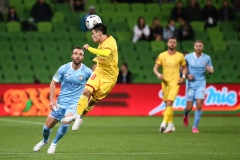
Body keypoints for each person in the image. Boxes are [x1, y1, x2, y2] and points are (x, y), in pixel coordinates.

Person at [33, 47, 92, 153]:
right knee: (46, 129)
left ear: (83, 57)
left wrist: (87, 102)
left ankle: (54, 143)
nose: (77, 56)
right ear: (72, 55)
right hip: (61, 103)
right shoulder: (64, 68)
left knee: (65, 123)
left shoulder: (87, 72)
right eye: (75, 53)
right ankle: (45, 141)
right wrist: (51, 101)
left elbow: (94, 87)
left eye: (80, 54)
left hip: (74, 104)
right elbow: (53, 83)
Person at [61, 23, 119, 131]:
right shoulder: (101, 42)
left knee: (92, 100)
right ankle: (77, 117)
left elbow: (106, 53)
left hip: (109, 78)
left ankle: (77, 116)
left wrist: (89, 48)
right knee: (86, 91)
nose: (92, 36)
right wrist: (97, 60)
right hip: (99, 72)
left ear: (99, 33)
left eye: (93, 34)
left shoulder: (110, 42)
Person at [153, 37, 187, 133]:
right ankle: (171, 125)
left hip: (175, 82)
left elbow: (185, 68)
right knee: (167, 104)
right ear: (167, 43)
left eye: (174, 42)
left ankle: (163, 124)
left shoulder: (180, 56)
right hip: (165, 82)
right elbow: (155, 68)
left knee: (169, 103)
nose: (172, 44)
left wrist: (183, 77)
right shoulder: (162, 55)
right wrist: (159, 74)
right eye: (170, 42)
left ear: (176, 44)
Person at [183, 40, 214, 133]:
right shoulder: (188, 57)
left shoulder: (207, 58)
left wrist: (209, 70)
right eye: (197, 46)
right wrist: (187, 75)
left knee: (199, 105)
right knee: (189, 107)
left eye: (200, 46)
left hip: (201, 84)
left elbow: (211, 70)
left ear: (202, 47)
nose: (198, 48)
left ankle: (194, 127)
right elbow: (183, 69)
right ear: (194, 47)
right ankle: (185, 115)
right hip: (190, 85)